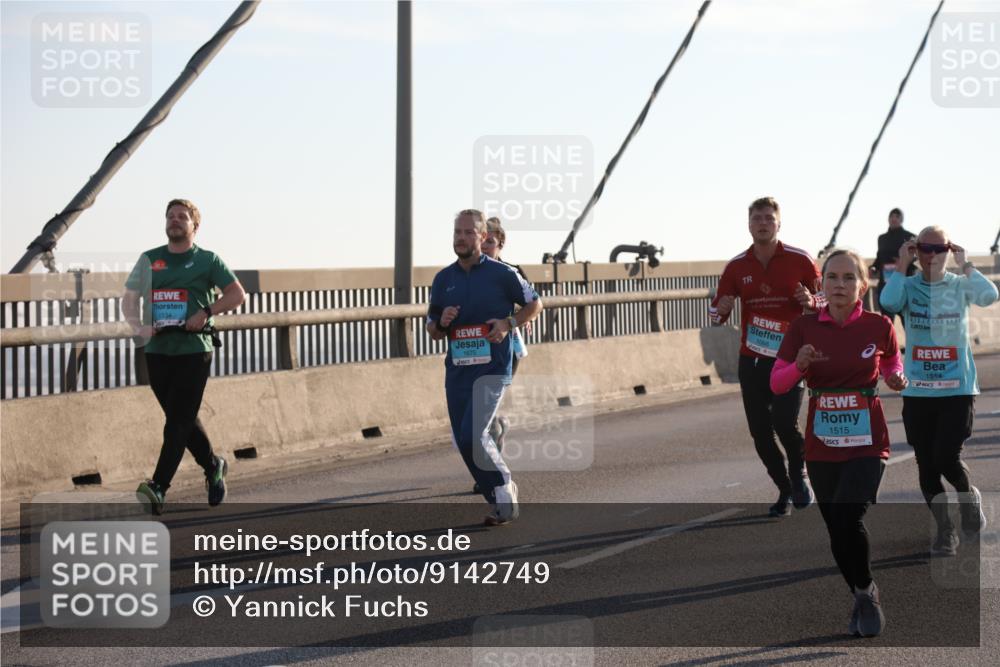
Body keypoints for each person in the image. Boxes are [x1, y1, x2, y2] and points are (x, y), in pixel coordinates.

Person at [771, 249, 907, 638]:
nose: (840, 285)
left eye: (849, 278)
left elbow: (892, 364)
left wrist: (897, 378)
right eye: (832, 277)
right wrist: (798, 365)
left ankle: (865, 594)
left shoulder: (878, 325)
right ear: (822, 284)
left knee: (849, 515)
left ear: (862, 284)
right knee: (836, 530)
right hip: (822, 445)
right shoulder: (803, 327)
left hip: (868, 441)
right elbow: (778, 383)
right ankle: (862, 591)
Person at [879, 226, 998, 556]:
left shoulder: (960, 286)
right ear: (916, 250)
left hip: (957, 388)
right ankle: (946, 531)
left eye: (939, 248)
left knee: (946, 456)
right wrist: (902, 265)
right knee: (926, 466)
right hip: (919, 391)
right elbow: (887, 303)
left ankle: (968, 496)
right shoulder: (908, 286)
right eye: (925, 249)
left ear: (949, 250)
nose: (931, 255)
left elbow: (989, 296)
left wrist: (967, 265)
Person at [123, 199, 246, 515]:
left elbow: (237, 294)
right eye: (170, 216)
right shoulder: (150, 259)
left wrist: (206, 312)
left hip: (194, 351)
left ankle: (158, 486)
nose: (174, 220)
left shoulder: (207, 260)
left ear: (195, 226)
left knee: (177, 421)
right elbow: (129, 300)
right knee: (183, 419)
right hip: (158, 352)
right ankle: (213, 464)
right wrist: (140, 328)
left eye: (182, 216)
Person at [427, 209, 543, 525]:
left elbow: (535, 304)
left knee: (474, 434)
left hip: (492, 367)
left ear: (481, 237)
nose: (461, 238)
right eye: (456, 233)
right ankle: (497, 499)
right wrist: (441, 322)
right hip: (458, 370)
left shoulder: (502, 274)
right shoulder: (443, 279)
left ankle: (504, 488)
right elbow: (433, 329)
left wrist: (508, 323)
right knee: (463, 440)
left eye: (468, 233)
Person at [709, 197, 822, 517]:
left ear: (779, 224)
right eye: (757, 218)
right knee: (760, 432)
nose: (763, 223)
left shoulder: (800, 260)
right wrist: (722, 311)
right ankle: (785, 489)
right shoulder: (736, 266)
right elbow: (715, 313)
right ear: (749, 224)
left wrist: (812, 300)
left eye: (769, 218)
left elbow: (829, 298)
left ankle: (799, 474)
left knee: (785, 423)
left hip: (790, 359)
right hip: (753, 359)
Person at [870, 208, 916, 323]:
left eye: (897, 216)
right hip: (885, 286)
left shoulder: (910, 237)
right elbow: (879, 258)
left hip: (904, 286)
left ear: (902, 219)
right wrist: (873, 267)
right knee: (886, 323)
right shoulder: (882, 238)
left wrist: (902, 261)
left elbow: (916, 259)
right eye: (891, 216)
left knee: (908, 323)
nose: (894, 219)